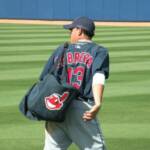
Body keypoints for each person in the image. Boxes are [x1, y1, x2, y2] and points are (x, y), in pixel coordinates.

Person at [42, 16, 109, 150]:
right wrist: (97, 102)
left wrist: (47, 108)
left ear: (79, 31)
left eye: (71, 30)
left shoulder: (61, 50)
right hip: (81, 110)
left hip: (58, 108)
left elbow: (45, 79)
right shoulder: (98, 51)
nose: (70, 33)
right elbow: (98, 76)